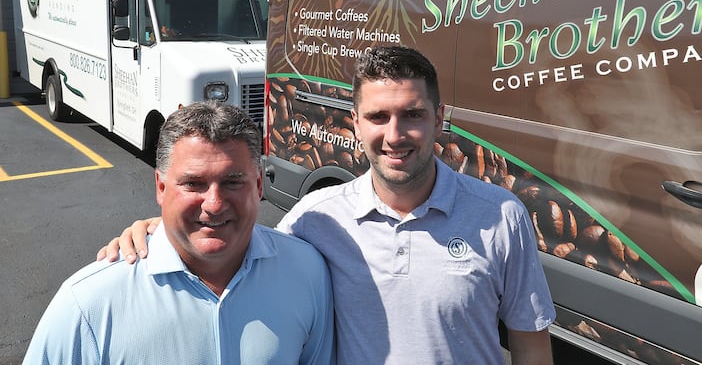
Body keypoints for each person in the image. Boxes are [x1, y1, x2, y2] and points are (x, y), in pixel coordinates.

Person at [99, 47, 555, 364]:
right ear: (355, 124)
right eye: (378, 116)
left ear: (438, 119)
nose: (394, 135)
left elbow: (531, 345)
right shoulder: (318, 217)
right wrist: (164, 227)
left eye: (412, 114)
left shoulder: (500, 215)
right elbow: (237, 241)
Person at [28, 101, 334, 364]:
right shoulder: (88, 303)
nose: (214, 204)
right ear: (161, 188)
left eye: (232, 182)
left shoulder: (307, 271)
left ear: (258, 186)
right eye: (193, 184)